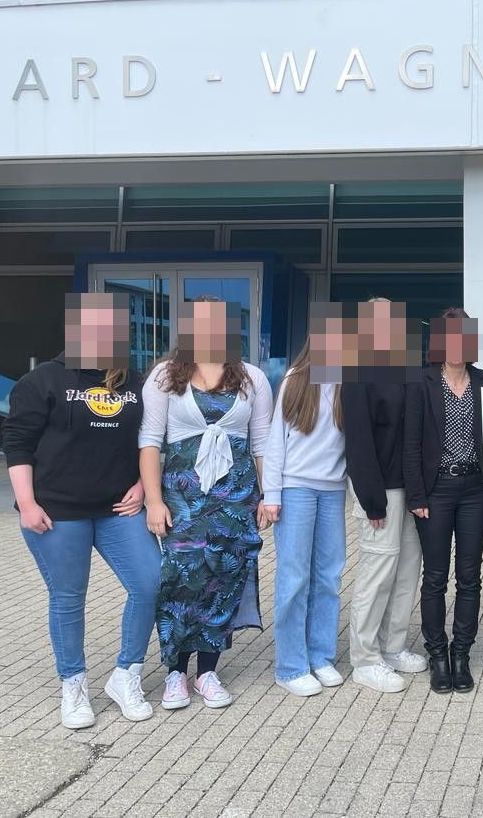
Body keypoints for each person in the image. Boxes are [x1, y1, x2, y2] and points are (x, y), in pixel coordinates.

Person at [3, 292, 160, 729]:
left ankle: (126, 674)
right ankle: (73, 683)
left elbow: (149, 441)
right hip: (57, 512)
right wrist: (27, 503)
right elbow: (18, 444)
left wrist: (142, 486)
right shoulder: (42, 381)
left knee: (150, 583)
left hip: (118, 510)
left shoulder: (134, 383)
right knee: (69, 598)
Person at [139, 297, 273, 710]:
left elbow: (263, 442)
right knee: (180, 581)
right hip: (183, 499)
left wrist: (268, 496)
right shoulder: (165, 375)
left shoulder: (252, 377)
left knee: (224, 578)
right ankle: (175, 672)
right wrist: (153, 501)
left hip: (236, 498)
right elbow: (150, 441)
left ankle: (208, 672)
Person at [404, 309, 483, 693]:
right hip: (436, 491)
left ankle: (461, 653)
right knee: (434, 577)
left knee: (469, 576)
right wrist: (416, 494)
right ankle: (437, 654)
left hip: (476, 490)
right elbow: (411, 444)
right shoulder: (422, 382)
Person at [262, 306, 350, 697]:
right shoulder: (295, 380)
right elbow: (275, 443)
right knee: (294, 577)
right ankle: (291, 665)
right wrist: (271, 494)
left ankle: (321, 656)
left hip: (333, 491)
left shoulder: (348, 383)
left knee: (329, 577)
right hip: (295, 490)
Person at [343, 298, 427, 693]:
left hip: (412, 490)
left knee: (406, 572)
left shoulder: (407, 370)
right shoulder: (357, 373)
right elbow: (358, 440)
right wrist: (372, 498)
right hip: (381, 492)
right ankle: (365, 660)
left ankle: (393, 647)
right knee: (376, 576)